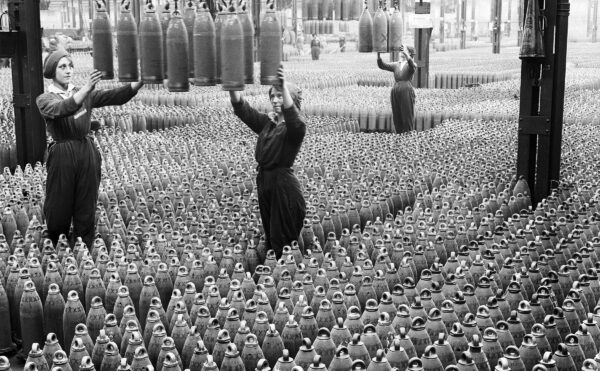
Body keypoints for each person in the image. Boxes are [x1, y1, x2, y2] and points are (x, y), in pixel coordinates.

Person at [36, 49, 143, 249]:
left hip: (86, 151)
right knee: (59, 203)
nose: (68, 70)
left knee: (86, 201)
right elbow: (63, 108)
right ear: (52, 71)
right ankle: (56, 245)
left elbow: (114, 96)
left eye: (70, 66)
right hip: (62, 153)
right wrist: (85, 89)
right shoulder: (45, 99)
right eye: (62, 66)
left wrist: (139, 82)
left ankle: (83, 245)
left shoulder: (82, 93)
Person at [229, 65, 307, 260]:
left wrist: (283, 86)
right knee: (272, 237)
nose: (275, 100)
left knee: (282, 241)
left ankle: (286, 278)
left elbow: (294, 119)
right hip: (265, 182)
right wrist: (231, 84)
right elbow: (242, 109)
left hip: (283, 187)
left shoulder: (295, 128)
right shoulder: (268, 124)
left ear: (291, 98)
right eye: (272, 96)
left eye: (280, 96)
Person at [377, 45, 417, 134]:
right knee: (396, 113)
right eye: (401, 50)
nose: (401, 52)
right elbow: (383, 66)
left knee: (407, 113)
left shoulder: (412, 64)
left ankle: (408, 134)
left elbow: (412, 65)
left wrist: (406, 55)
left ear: (409, 53)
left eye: (404, 50)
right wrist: (378, 55)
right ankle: (399, 133)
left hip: (406, 89)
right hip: (396, 89)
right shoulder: (396, 64)